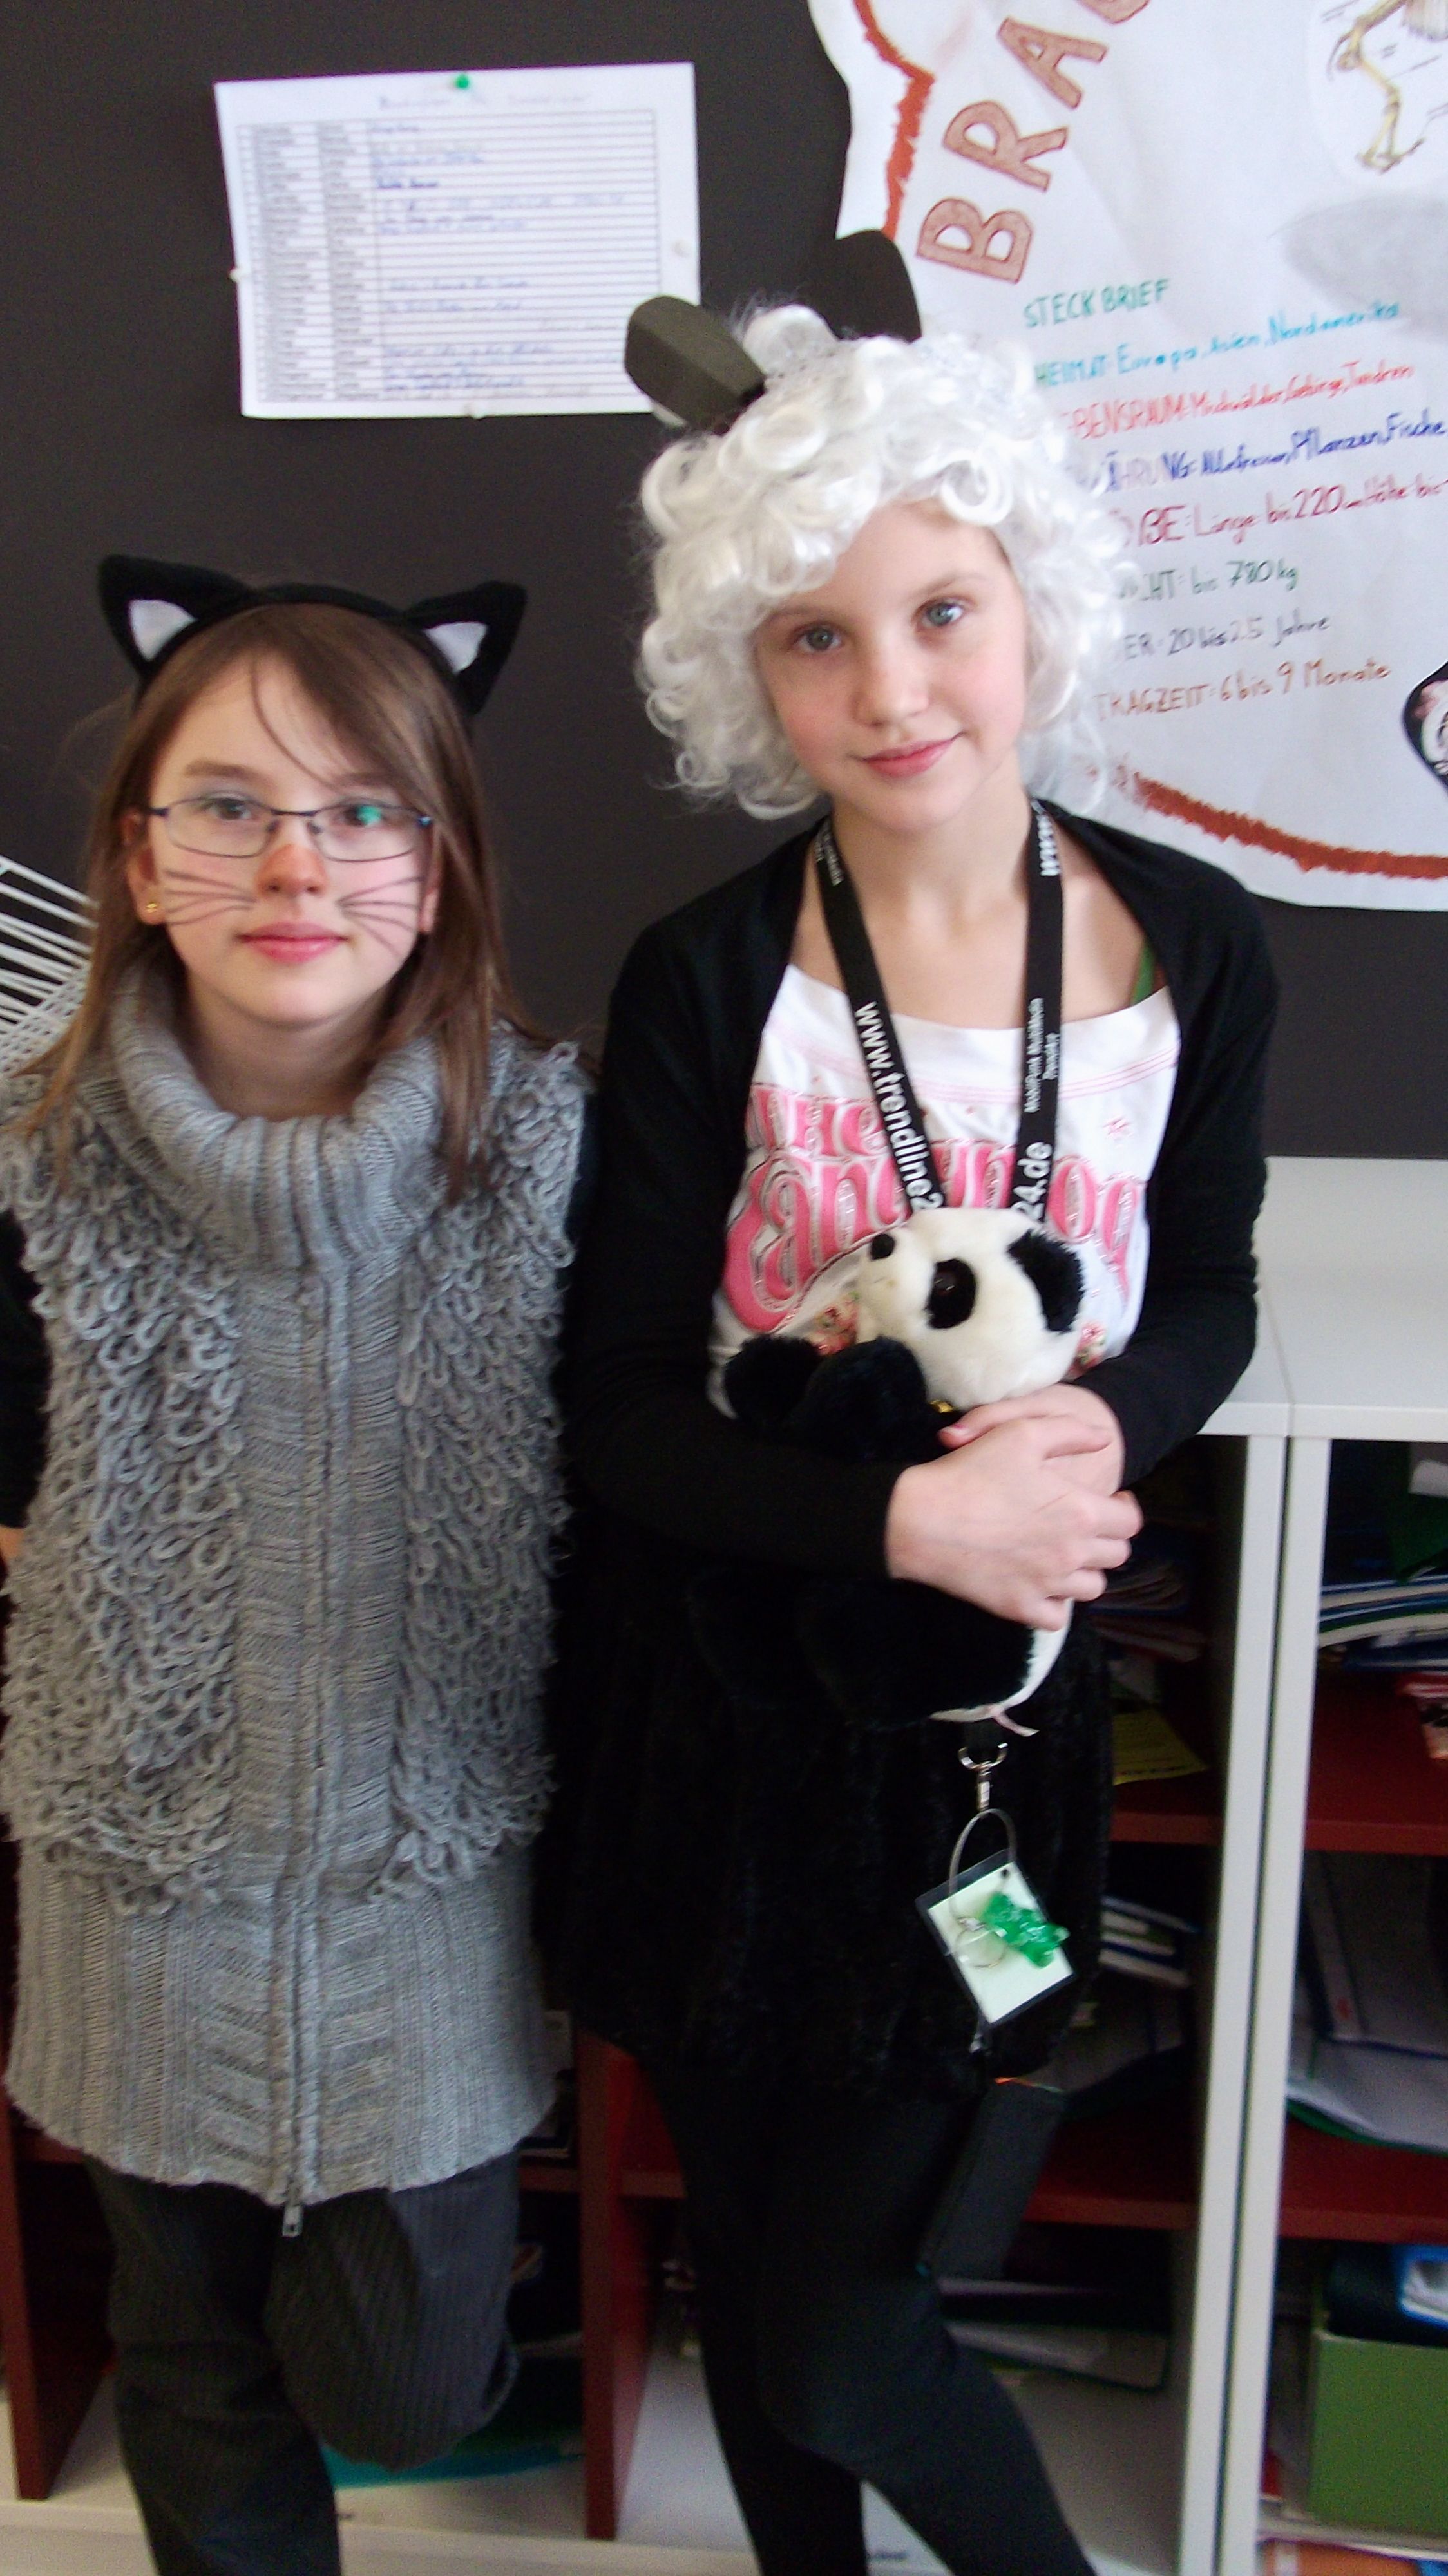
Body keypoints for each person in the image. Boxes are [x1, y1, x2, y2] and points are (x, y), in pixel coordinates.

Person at [554, 305, 1275, 2576]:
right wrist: (902, 1516)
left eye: (943, 610)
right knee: (753, 2268)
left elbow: (1214, 1290)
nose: (892, 690)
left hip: (988, 1730)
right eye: (816, 638)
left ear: (1036, 602)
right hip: (722, 1711)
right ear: (746, 676)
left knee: (848, 2340)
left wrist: (1098, 1428)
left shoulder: (1195, 950)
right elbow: (618, 1407)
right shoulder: (708, 974)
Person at [0, 560, 587, 2576]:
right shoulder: (36, 1158)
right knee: (189, 2362)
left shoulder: (547, 1155)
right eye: (228, 807)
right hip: (141, 1892)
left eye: (361, 811)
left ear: (441, 862)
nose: (294, 865)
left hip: (426, 1894)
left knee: (403, 2385)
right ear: (139, 859)